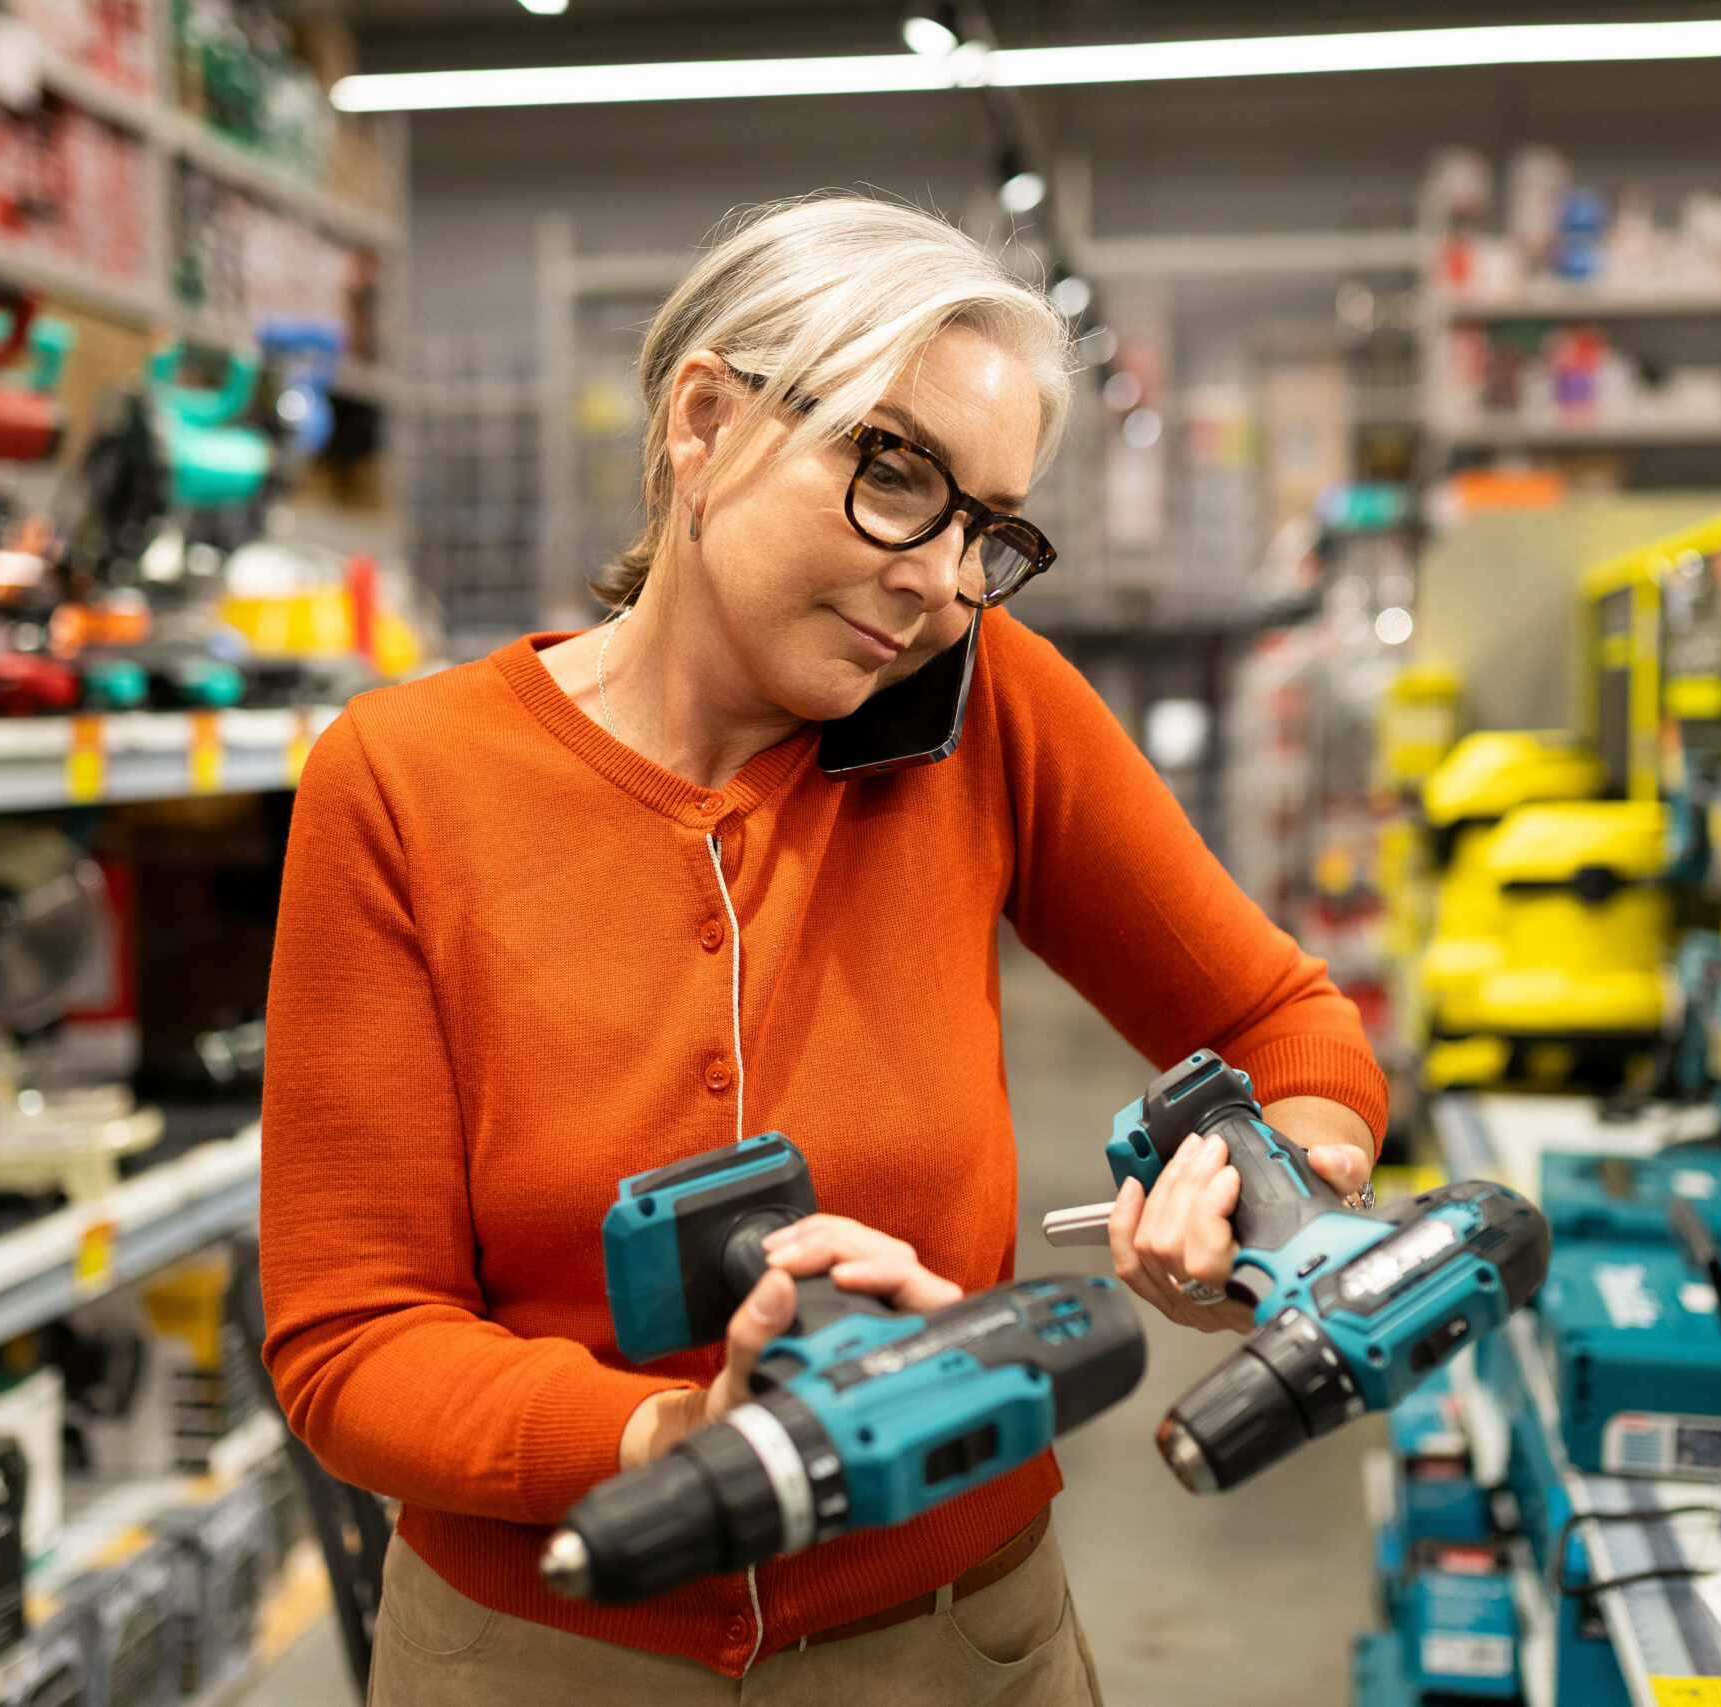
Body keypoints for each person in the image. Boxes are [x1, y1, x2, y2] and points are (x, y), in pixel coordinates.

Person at [260, 194, 1387, 1706]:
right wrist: (681, 1448)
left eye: (991, 530)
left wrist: (1273, 1205)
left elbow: (1282, 1019)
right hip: (542, 1656)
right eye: (898, 474)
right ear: (706, 421)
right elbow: (352, 1343)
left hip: (953, 1645)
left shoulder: (993, 713)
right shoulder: (410, 781)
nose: (943, 579)